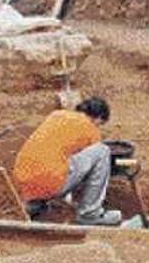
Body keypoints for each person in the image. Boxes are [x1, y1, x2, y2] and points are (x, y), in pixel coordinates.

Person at [12, 97, 121, 226]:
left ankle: (35, 204)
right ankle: (90, 213)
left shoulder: (56, 115)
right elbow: (87, 167)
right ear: (98, 118)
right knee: (102, 151)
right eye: (100, 124)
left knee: (53, 158)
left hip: (22, 184)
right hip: (50, 182)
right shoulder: (90, 127)